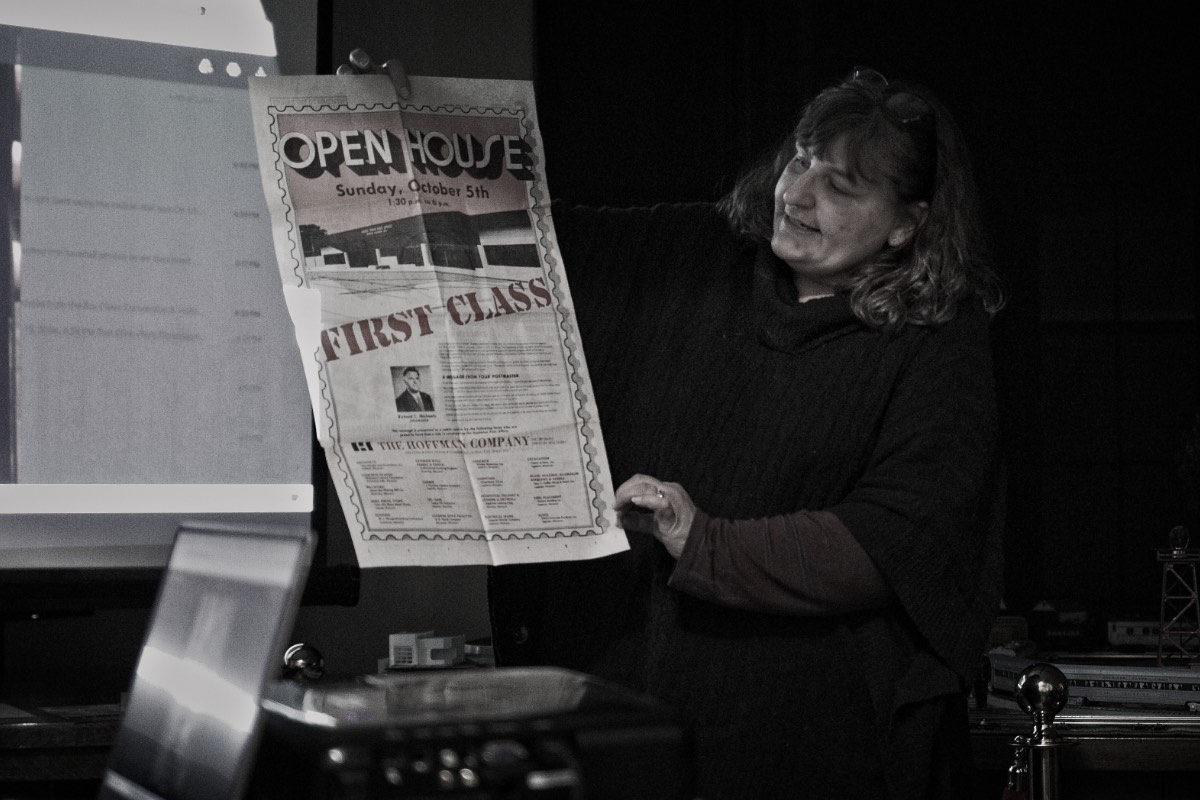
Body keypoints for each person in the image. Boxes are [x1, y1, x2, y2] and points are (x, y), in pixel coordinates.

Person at [347, 52, 1005, 799]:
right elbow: (521, 241)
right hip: (616, 732)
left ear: (905, 224)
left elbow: (895, 542)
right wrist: (400, 133)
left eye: (840, 185)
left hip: (811, 752)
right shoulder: (688, 253)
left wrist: (704, 541)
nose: (798, 194)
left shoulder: (936, 340)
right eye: (801, 162)